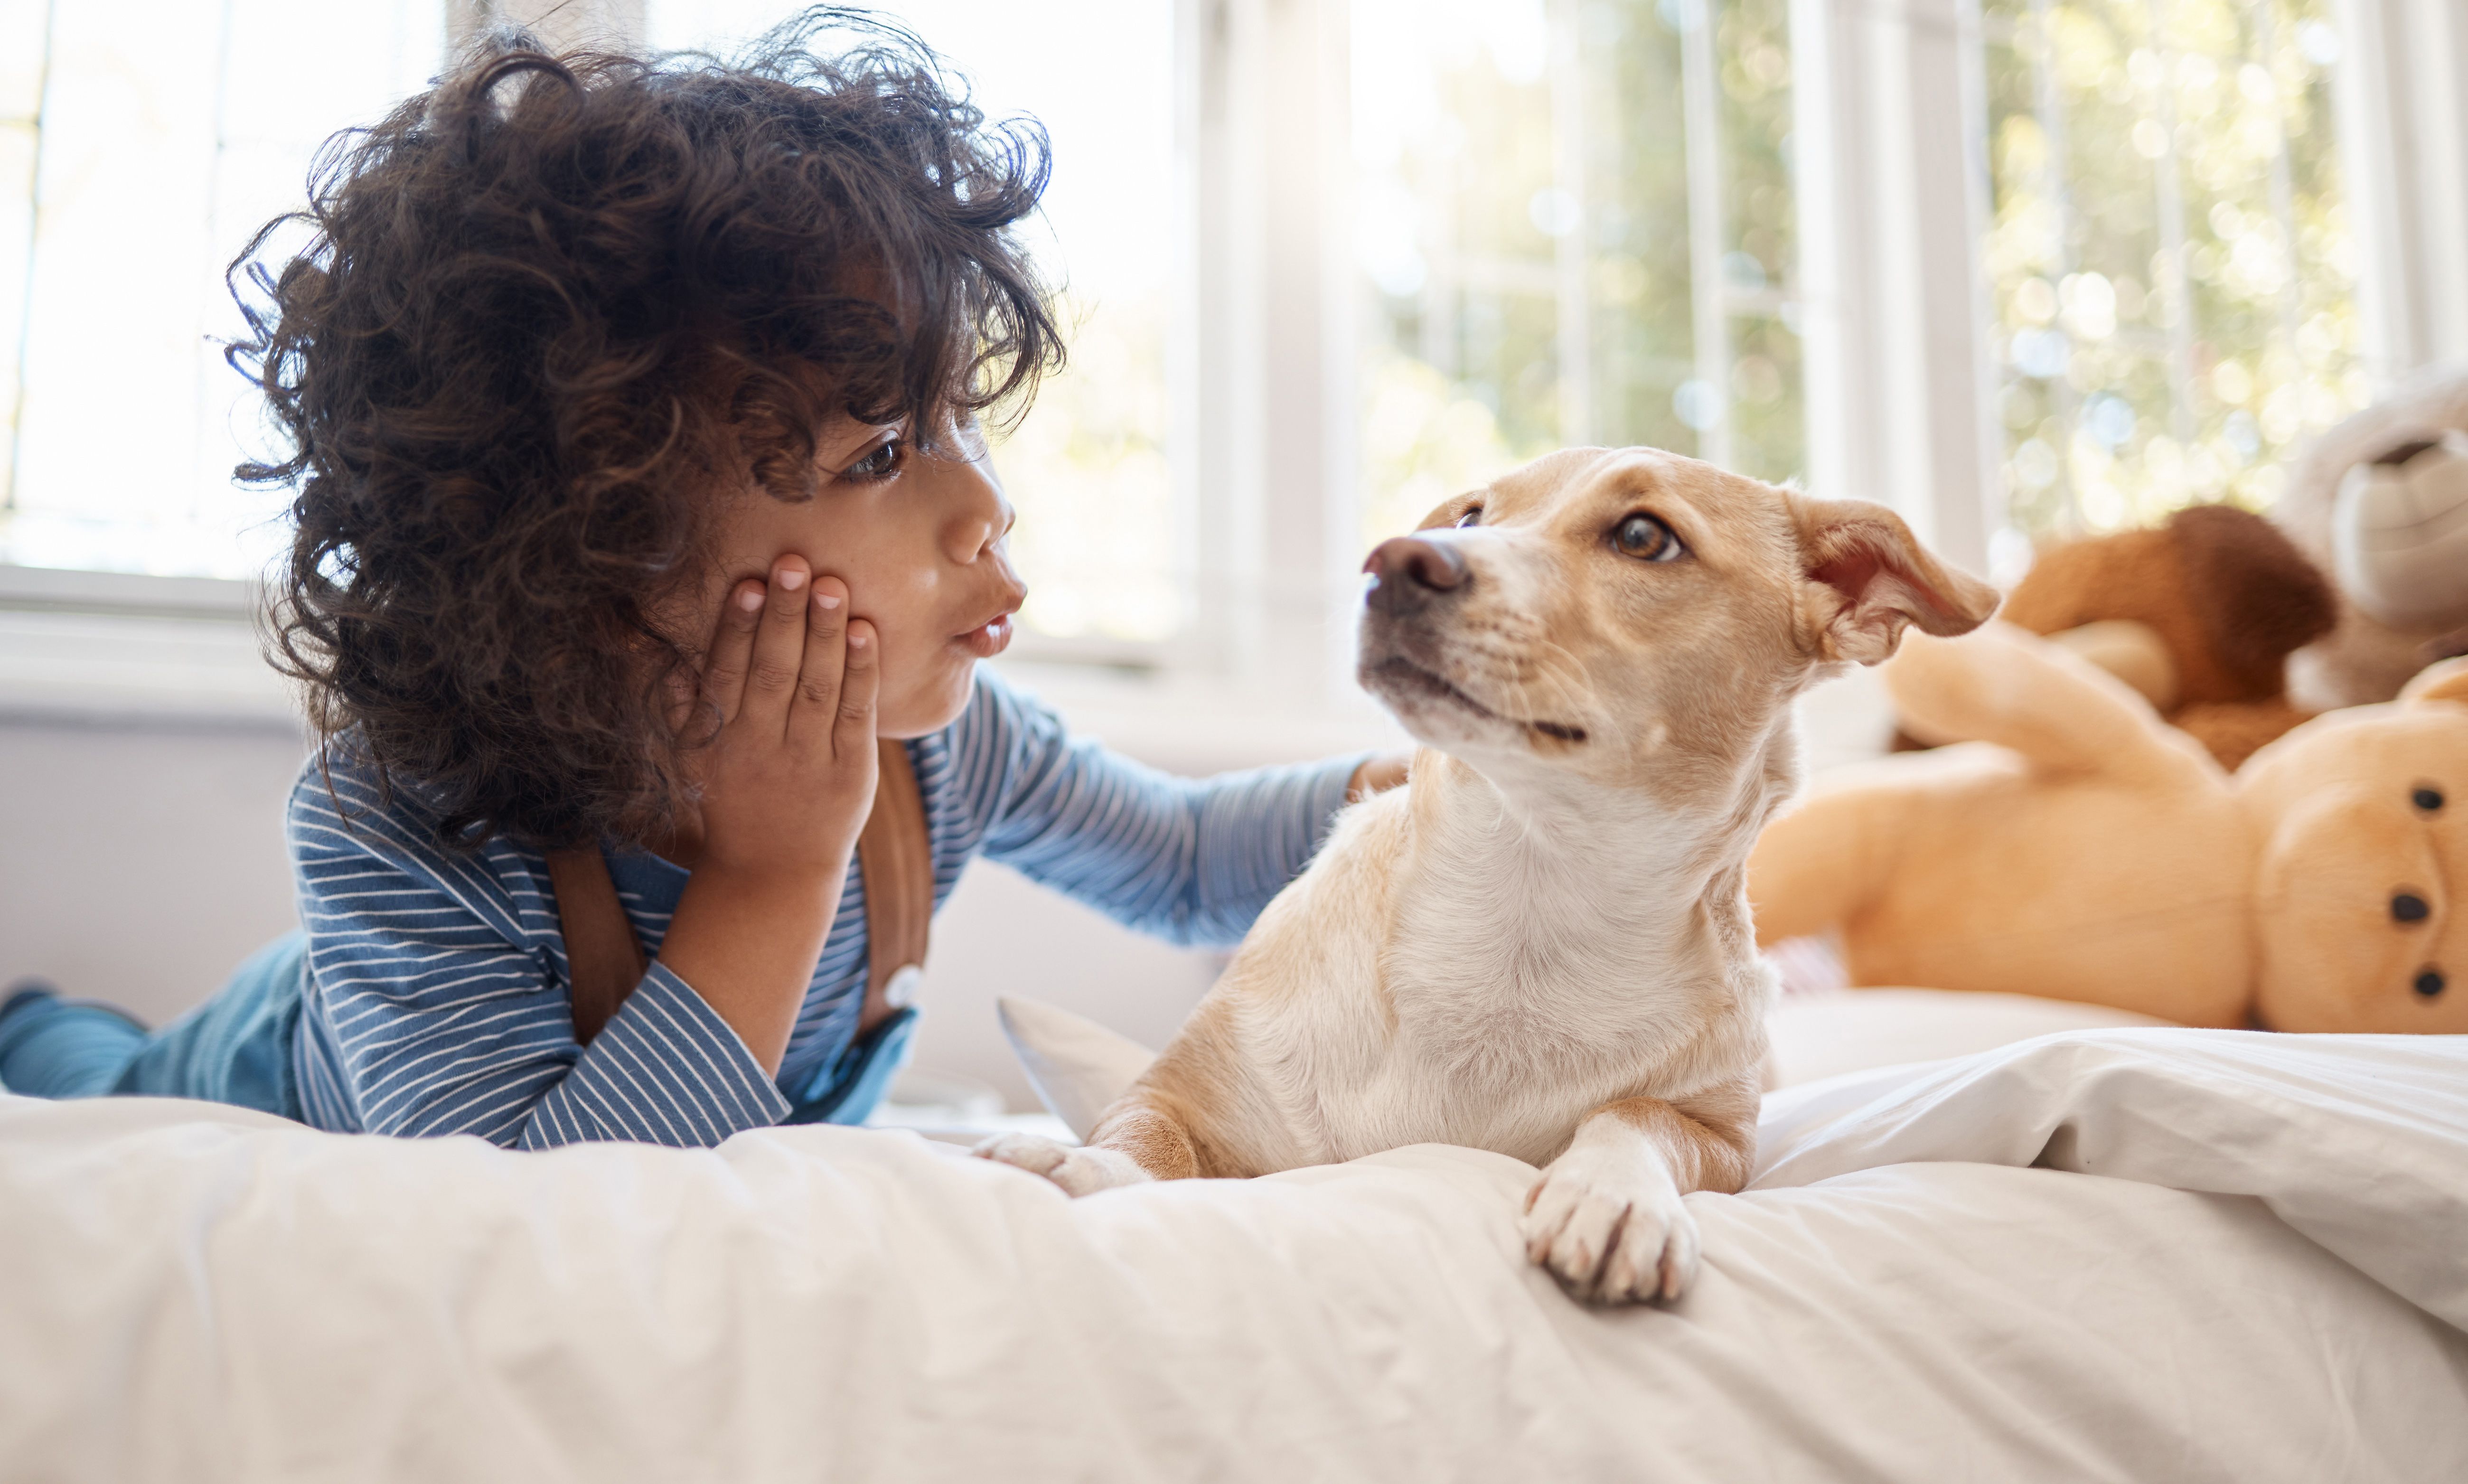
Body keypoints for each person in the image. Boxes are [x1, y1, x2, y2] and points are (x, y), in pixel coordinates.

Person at [0, 12, 1402, 1147]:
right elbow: (534, 1232)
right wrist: (778, 873)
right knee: (85, 1071)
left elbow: (1190, 861)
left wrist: (1449, 798)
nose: (986, 503)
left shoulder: (939, 756)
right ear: (594, 557)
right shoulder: (407, 825)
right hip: (238, 1072)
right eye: (882, 454)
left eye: (961, 422)